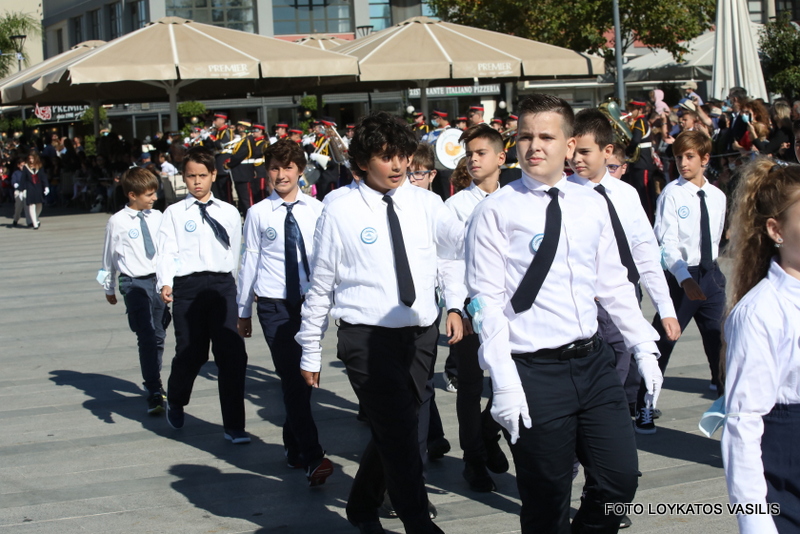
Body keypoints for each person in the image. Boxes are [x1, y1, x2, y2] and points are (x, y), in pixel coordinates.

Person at [465, 93, 663, 533]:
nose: (534, 146)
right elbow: (486, 305)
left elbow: (613, 283)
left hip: (593, 364)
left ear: (570, 145)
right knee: (546, 501)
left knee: (618, 482)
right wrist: (504, 382)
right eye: (525, 136)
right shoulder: (495, 211)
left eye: (546, 137)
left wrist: (644, 347)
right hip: (534, 372)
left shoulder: (591, 202)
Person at [296, 111, 465, 534]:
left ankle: (361, 504)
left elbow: (451, 256)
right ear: (362, 161)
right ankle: (417, 520)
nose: (397, 165)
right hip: (365, 338)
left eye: (402, 156)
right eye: (386, 157)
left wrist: (455, 305)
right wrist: (310, 348)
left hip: (420, 333)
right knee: (400, 431)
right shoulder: (339, 207)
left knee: (399, 426)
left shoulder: (427, 203)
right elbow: (321, 281)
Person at [236, 139, 332, 484]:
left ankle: (293, 446)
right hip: (273, 304)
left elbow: (328, 259)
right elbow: (249, 262)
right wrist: (243, 310)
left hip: (310, 304)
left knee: (302, 380)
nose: (281, 175)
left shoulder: (318, 210)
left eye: (288, 167)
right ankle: (313, 456)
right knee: (293, 376)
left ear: (300, 170)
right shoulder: (259, 213)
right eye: (274, 168)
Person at [722, 157, 800, 534]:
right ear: (776, 229)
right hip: (787, 482)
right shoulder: (760, 313)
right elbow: (743, 424)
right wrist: (755, 521)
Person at [633, 130, 726, 434]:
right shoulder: (672, 194)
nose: (683, 163)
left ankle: (726, 401)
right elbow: (667, 244)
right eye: (678, 157)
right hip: (681, 277)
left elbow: (715, 238)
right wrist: (684, 279)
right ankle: (645, 405)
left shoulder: (717, 196)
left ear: (705, 159)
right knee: (664, 340)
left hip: (711, 275)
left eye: (689, 157)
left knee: (720, 341)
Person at [156, 146, 249, 444]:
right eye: (190, 176)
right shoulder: (173, 213)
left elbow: (237, 253)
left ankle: (234, 425)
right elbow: (166, 251)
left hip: (223, 286)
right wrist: (165, 282)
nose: (196, 182)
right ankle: (176, 398)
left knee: (232, 355)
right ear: (184, 178)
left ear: (213, 175)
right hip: (188, 287)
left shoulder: (229, 211)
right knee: (192, 352)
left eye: (202, 176)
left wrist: (241, 293)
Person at [445, 124, 509, 492]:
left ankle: (489, 430)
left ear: (501, 157)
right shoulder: (455, 206)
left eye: (481, 153)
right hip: (470, 309)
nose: (473, 160)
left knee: (511, 380)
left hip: (509, 309)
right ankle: (473, 459)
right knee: (470, 386)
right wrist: (456, 308)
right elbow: (450, 262)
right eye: (469, 154)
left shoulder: (515, 199)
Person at [98, 167, 169, 414]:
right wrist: (108, 287)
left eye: (155, 193)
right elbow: (108, 257)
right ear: (132, 195)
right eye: (149, 194)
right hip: (133, 283)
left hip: (157, 282)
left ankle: (155, 379)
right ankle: (154, 389)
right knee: (146, 335)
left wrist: (171, 280)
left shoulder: (158, 216)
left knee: (159, 335)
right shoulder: (117, 221)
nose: (154, 198)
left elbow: (168, 250)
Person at [623, 99, 658, 223]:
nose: (630, 111)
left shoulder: (640, 122)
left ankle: (649, 222)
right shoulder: (638, 122)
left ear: (640, 110)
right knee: (640, 195)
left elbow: (636, 140)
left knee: (645, 196)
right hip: (638, 163)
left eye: (633, 109)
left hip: (642, 162)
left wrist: (627, 151)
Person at [226, 122, 257, 215]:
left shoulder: (248, 139)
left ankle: (252, 218)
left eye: (240, 127)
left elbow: (240, 155)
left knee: (247, 201)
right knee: (242, 200)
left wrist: (229, 163)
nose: (238, 128)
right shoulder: (242, 140)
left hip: (245, 173)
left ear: (243, 127)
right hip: (239, 174)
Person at [21, 151, 49, 230]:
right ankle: (35, 224)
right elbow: (23, 179)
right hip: (30, 187)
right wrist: (21, 190)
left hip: (38, 187)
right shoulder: (26, 167)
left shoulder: (39, 166)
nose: (31, 160)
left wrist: (46, 186)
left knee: (39, 204)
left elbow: (43, 177)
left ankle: (35, 217)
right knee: (31, 205)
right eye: (30, 158)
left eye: (32, 158)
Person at [10, 157, 32, 227]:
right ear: (18, 165)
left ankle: (29, 222)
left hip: (26, 190)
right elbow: (13, 180)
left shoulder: (28, 172)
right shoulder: (16, 173)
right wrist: (15, 184)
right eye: (21, 165)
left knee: (27, 207)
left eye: (24, 165)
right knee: (18, 207)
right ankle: (16, 219)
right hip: (18, 191)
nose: (23, 167)